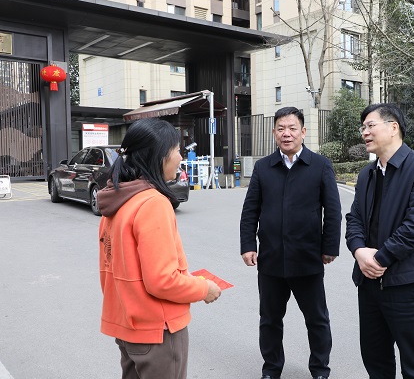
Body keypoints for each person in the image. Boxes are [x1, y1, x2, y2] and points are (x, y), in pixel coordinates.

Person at [97, 118, 221, 379]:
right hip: (157, 331)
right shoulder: (153, 203)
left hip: (128, 325)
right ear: (160, 155)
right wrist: (204, 289)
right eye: (177, 150)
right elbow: (162, 281)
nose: (180, 158)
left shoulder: (118, 199)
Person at [240, 107, 342, 379]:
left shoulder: (320, 165)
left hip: (307, 258)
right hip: (271, 260)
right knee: (270, 320)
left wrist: (329, 247)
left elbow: (333, 211)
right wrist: (248, 245)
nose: (287, 134)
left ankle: (320, 370)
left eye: (292, 128)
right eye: (281, 129)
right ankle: (271, 369)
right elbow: (250, 210)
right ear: (274, 133)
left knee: (317, 320)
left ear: (303, 132)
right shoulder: (263, 167)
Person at [345, 103, 414, 379]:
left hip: (406, 284)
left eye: (370, 126)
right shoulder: (367, 173)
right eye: (363, 128)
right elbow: (354, 218)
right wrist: (359, 251)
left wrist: (379, 259)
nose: (365, 132)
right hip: (369, 283)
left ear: (393, 127)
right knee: (375, 361)